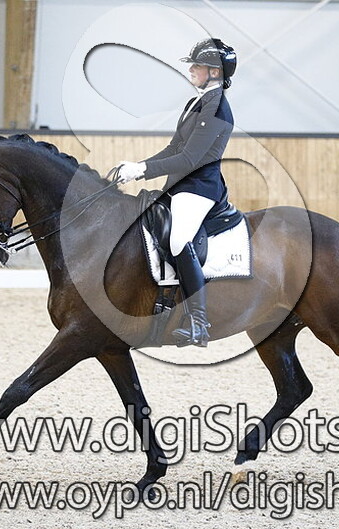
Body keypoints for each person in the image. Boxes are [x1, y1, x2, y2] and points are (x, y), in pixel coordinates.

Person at [116, 38, 237, 348]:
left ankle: (198, 322)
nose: (191, 69)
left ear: (214, 72)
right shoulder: (195, 103)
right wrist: (137, 166)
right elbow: (174, 148)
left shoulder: (218, 108)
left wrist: (143, 170)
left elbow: (189, 159)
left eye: (197, 65)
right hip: (179, 185)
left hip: (199, 188)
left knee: (179, 239)